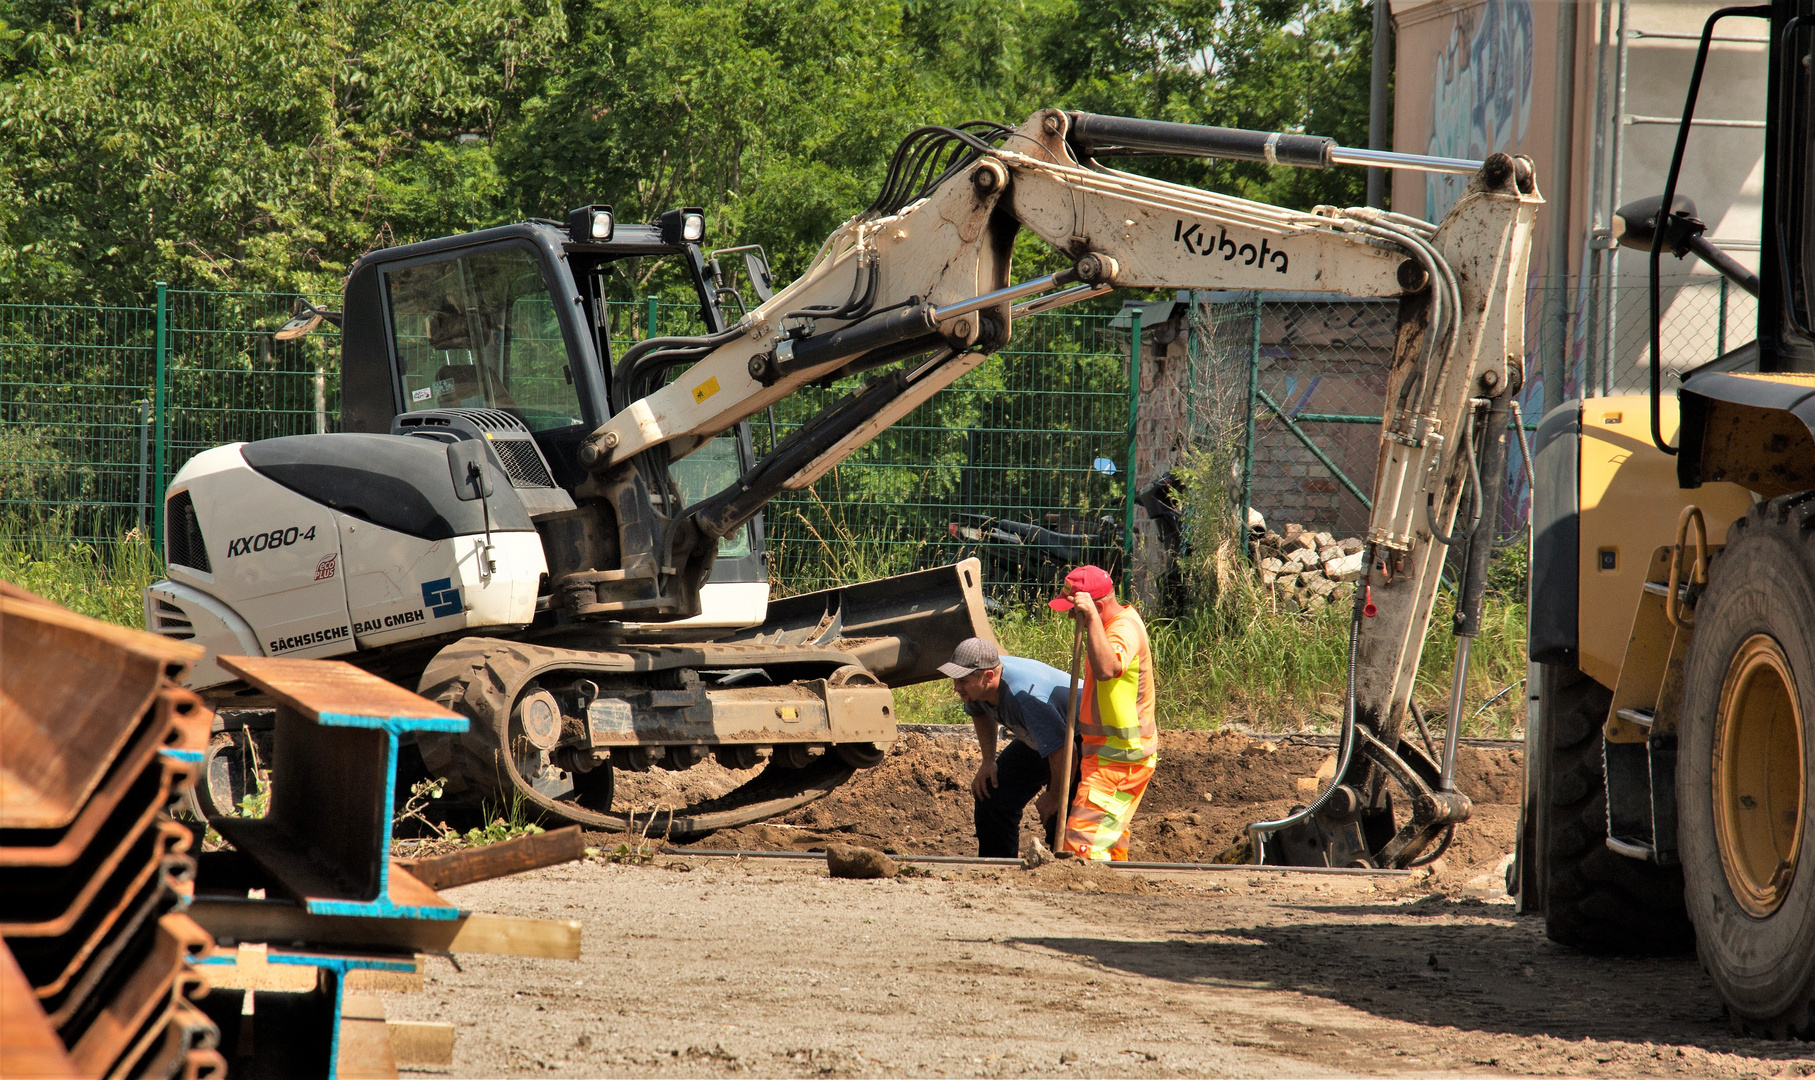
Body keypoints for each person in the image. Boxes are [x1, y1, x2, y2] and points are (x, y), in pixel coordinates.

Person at [1050, 564, 1159, 861]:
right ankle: (1118, 896)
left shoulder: (1122, 628)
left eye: (1074, 612)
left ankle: (1083, 901)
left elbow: (1108, 668)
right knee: (1109, 840)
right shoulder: (1107, 626)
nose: (1070, 618)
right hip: (1106, 756)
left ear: (1096, 607)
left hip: (1120, 761)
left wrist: (1092, 622)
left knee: (1081, 843)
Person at [939, 636, 1076, 858]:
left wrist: (1055, 795)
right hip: (1041, 736)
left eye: (962, 681)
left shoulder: (1026, 697)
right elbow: (979, 711)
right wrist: (988, 760)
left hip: (1080, 739)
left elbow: (1065, 750)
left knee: (1061, 814)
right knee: (992, 795)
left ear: (989, 676)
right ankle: (998, 869)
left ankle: (1064, 873)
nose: (955, 687)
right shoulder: (979, 684)